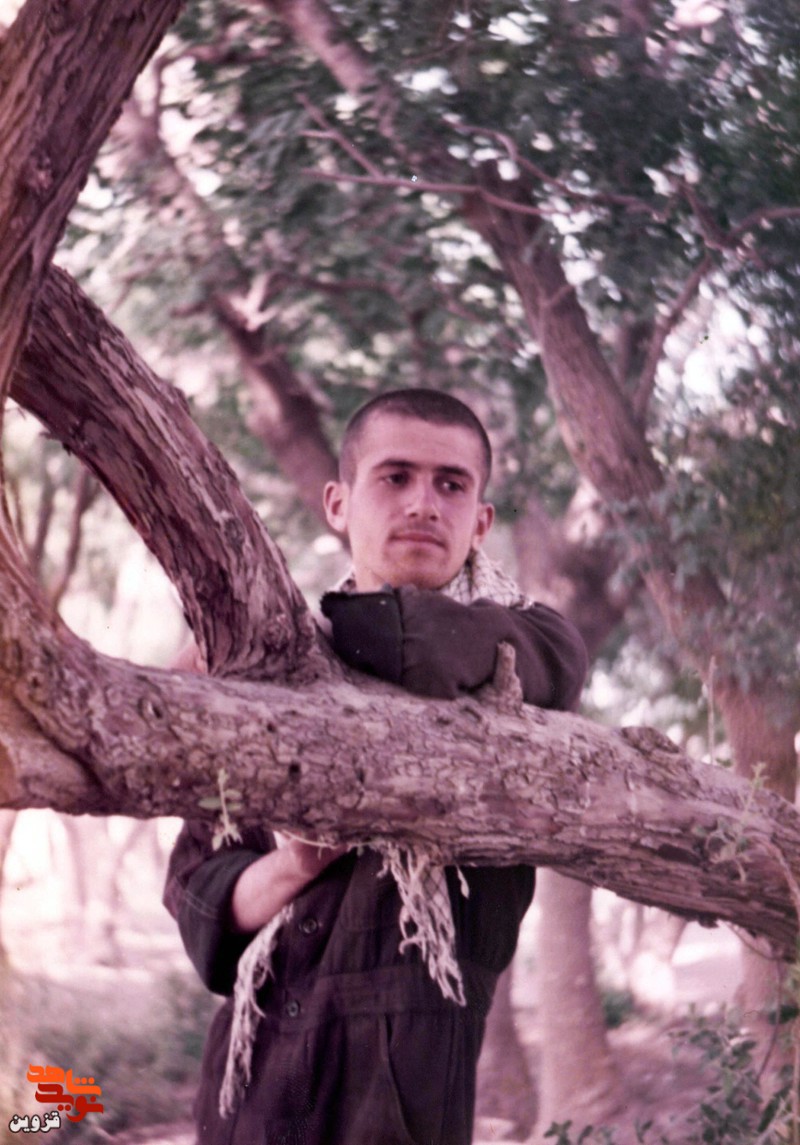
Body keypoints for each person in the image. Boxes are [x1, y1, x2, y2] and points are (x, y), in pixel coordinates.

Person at [164, 388, 588, 1145]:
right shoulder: (266, 674)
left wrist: (281, 647)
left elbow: (423, 645)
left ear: (481, 521)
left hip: (397, 1103)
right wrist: (297, 864)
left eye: (451, 484)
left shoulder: (533, 647)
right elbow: (201, 897)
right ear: (338, 503)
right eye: (395, 477)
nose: (423, 503)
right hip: (247, 1094)